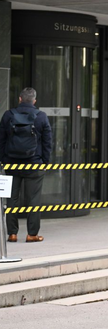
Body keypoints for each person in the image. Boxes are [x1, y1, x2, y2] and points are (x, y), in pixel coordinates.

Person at [0, 87, 52, 242]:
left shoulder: (8, 115)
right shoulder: (41, 117)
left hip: (11, 163)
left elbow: (1, 140)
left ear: (20, 99)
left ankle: (12, 233)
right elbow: (47, 142)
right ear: (34, 101)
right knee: (33, 199)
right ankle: (32, 234)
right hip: (34, 164)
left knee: (12, 199)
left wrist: (3, 159)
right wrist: (44, 162)